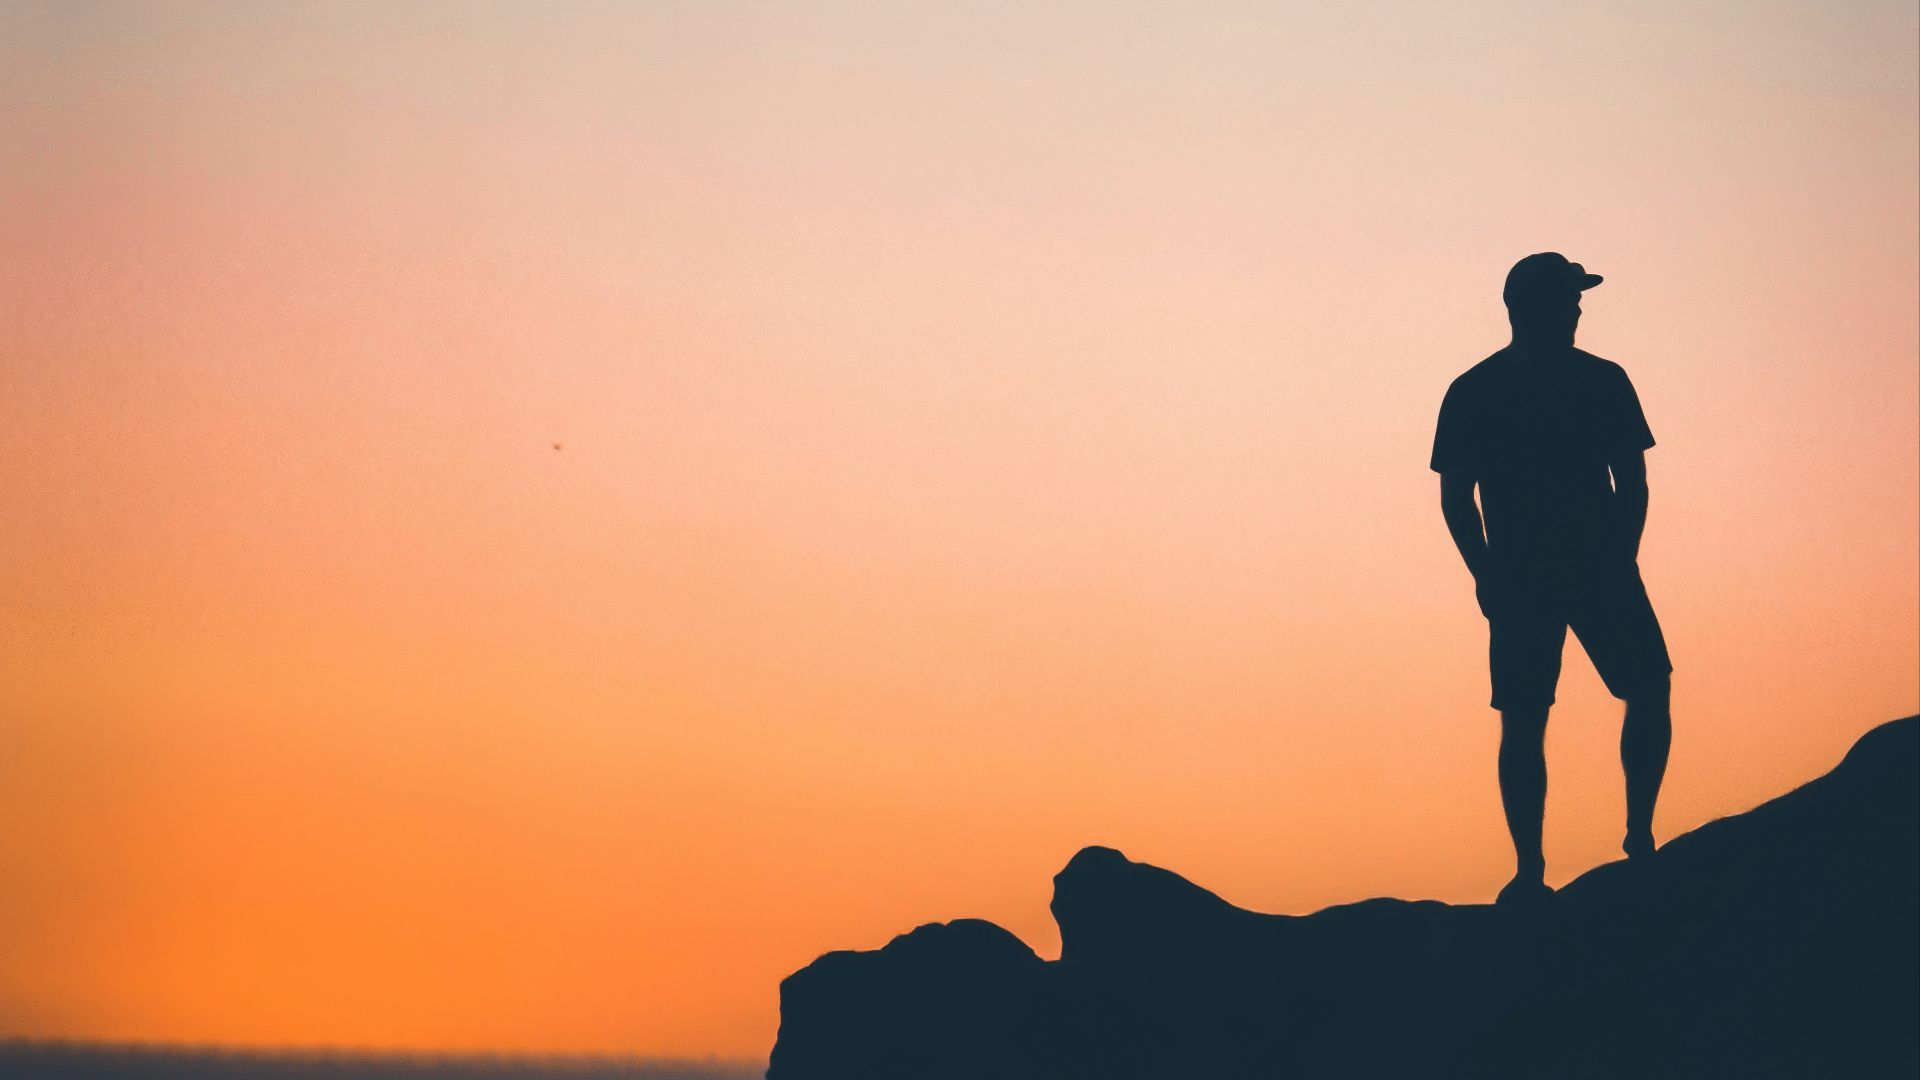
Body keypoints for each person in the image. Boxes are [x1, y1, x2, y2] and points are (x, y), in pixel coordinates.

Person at [1431, 253, 1674, 907]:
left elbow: (1634, 479)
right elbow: (1457, 497)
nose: (1575, 310)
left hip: (1589, 566)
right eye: (1565, 299)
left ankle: (1639, 837)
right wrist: (1484, 574)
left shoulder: (1598, 381)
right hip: (1527, 575)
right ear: (1526, 308)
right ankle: (1532, 868)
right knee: (1524, 719)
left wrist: (1623, 554)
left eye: (1576, 300)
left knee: (1647, 688)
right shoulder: (1476, 390)